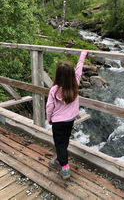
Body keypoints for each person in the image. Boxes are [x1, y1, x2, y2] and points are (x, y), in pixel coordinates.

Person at [46, 50, 88, 179]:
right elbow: (79, 68)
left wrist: (49, 119)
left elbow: (49, 107)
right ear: (71, 75)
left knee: (59, 144)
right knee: (64, 141)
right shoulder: (75, 83)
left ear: (57, 75)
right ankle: (59, 160)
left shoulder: (54, 89)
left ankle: (64, 167)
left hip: (58, 121)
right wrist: (83, 54)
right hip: (70, 119)